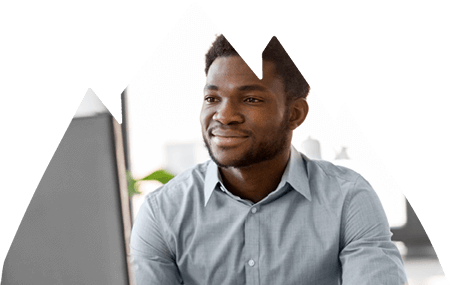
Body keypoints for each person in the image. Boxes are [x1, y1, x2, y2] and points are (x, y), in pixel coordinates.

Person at [130, 34, 409, 285]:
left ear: (295, 114)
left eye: (251, 99)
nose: (224, 116)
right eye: (212, 98)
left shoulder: (348, 199)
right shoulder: (163, 212)